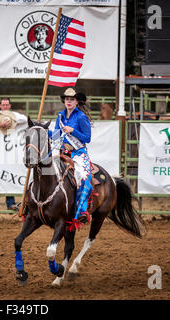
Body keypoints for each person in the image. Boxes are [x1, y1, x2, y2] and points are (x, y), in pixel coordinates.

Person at [54, 87, 93, 228]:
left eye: (72, 99)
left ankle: (82, 211)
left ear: (77, 102)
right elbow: (56, 136)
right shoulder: (60, 116)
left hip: (78, 153)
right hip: (63, 153)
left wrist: (73, 131)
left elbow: (87, 138)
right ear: (64, 101)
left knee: (83, 177)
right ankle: (31, 202)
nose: (69, 101)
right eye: (67, 99)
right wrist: (41, 129)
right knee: (43, 169)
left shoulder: (81, 117)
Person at [0, 97, 27, 211]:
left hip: (9, 149)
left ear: (10, 105)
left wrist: (12, 121)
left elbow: (24, 119)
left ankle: (10, 202)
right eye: (3, 105)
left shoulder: (14, 115)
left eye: (7, 104)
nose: (5, 107)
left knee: (9, 172)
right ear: (0, 106)